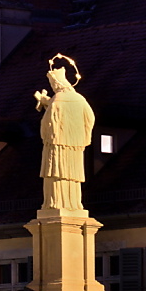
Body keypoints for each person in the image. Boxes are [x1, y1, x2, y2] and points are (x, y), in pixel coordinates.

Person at [34, 54, 95, 210]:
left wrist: (48, 135)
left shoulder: (57, 99)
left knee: (56, 174)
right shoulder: (80, 99)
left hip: (57, 147)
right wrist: (84, 137)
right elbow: (90, 118)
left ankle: (54, 203)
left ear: (56, 84)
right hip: (75, 147)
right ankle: (74, 204)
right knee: (72, 176)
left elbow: (47, 123)